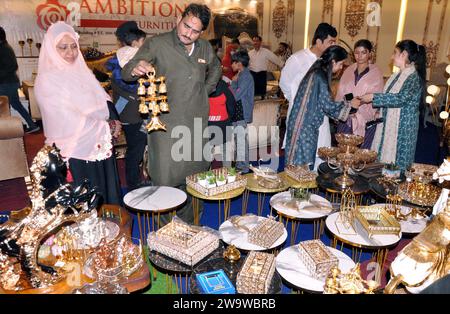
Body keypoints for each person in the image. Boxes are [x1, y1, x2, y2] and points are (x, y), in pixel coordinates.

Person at [122, 3, 222, 225]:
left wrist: (205, 91)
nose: (188, 33)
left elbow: (216, 68)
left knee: (196, 180)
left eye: (195, 31)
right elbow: (126, 72)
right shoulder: (157, 44)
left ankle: (192, 227)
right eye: (186, 26)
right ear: (180, 18)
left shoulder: (204, 47)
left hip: (197, 127)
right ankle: (166, 236)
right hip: (166, 128)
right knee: (165, 181)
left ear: (202, 31)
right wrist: (136, 68)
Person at [34, 21, 122, 206]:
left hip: (98, 143)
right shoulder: (47, 80)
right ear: (51, 48)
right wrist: (105, 127)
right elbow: (65, 118)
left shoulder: (82, 71)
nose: (71, 53)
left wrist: (112, 119)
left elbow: (102, 99)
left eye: (74, 46)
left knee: (104, 196)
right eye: (63, 47)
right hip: (75, 151)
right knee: (84, 204)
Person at [285, 46, 360, 168]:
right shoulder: (320, 77)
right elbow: (327, 105)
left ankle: (297, 185)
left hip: (300, 123)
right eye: (340, 64)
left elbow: (321, 103)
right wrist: (350, 105)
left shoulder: (316, 71)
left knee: (296, 160)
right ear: (333, 61)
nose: (341, 68)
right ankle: (300, 186)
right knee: (302, 164)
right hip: (305, 127)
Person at [359, 39, 427, 171]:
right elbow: (389, 95)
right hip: (388, 123)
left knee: (398, 164)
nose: (391, 56)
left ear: (404, 54)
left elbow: (400, 99)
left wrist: (373, 97)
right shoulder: (397, 75)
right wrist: (379, 109)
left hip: (403, 129)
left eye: (395, 53)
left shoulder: (413, 77)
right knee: (383, 160)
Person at [279, 23, 337, 170]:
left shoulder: (327, 62)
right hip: (301, 117)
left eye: (334, 42)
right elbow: (284, 83)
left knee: (321, 153)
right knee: (300, 160)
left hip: (321, 117)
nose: (332, 46)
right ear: (319, 41)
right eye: (330, 42)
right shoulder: (297, 59)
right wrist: (300, 103)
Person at [106, 22, 147, 191]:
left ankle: (136, 178)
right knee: (136, 149)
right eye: (143, 41)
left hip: (128, 112)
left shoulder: (120, 59)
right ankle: (134, 183)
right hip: (133, 113)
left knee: (136, 147)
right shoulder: (127, 62)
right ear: (135, 42)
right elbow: (131, 88)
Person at [335, 39, 384, 149]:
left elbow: (377, 95)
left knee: (360, 155)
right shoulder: (348, 71)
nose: (360, 56)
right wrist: (347, 108)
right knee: (344, 151)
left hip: (365, 119)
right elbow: (340, 93)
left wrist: (358, 105)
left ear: (370, 54)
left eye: (363, 52)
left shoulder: (376, 72)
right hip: (346, 117)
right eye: (357, 52)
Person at [0, 26, 40, 133]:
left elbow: (12, 66)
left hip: (6, 84)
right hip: (9, 83)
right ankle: (31, 125)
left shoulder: (3, 48)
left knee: (4, 107)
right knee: (15, 105)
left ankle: (7, 130)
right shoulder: (5, 47)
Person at [230, 50, 255, 173]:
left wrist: (233, 83)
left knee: (240, 141)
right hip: (237, 113)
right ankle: (240, 165)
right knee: (238, 140)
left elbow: (235, 95)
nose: (231, 65)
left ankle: (244, 167)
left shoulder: (246, 76)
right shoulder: (241, 75)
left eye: (233, 63)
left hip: (241, 113)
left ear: (239, 63)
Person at [208, 79, 236, 167]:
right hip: (224, 123)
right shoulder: (223, 85)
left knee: (207, 152)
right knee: (226, 151)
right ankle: (227, 176)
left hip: (208, 124)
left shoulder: (203, 84)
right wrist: (229, 118)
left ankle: (205, 176)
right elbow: (231, 103)